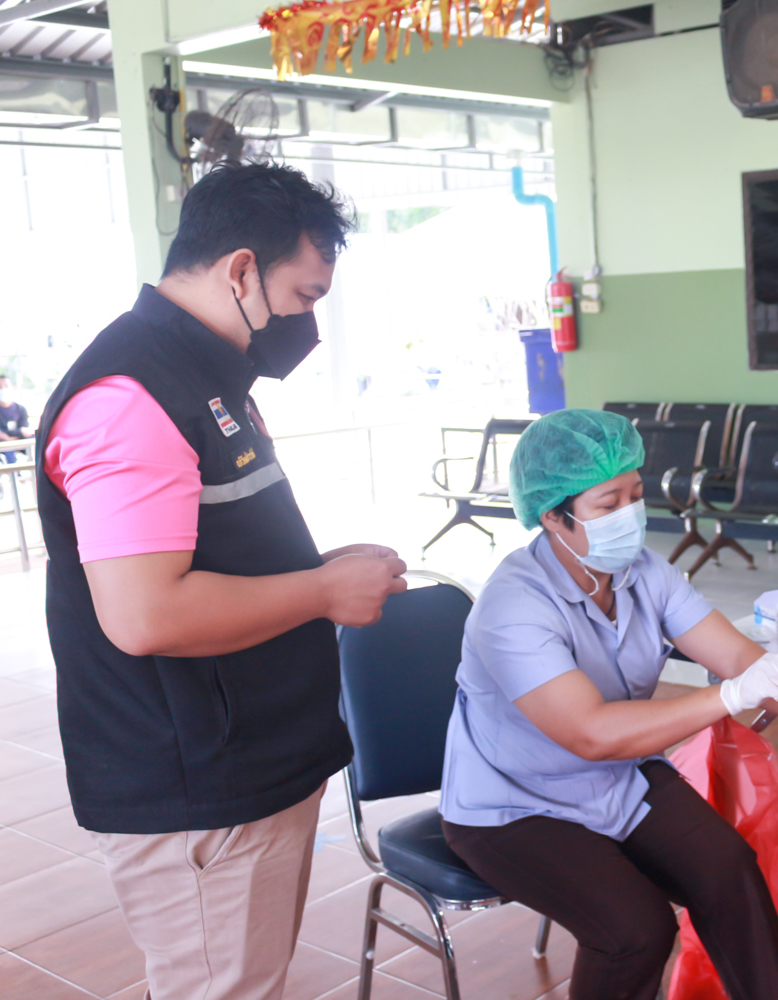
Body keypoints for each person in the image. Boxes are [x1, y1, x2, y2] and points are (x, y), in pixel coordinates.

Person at [36, 163, 408, 1000]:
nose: (307, 324)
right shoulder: (133, 396)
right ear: (241, 270)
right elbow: (145, 612)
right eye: (303, 296)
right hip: (201, 777)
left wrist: (319, 568)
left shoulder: (209, 376)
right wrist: (322, 594)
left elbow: (207, 548)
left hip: (255, 747)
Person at [439, 408, 778, 1000]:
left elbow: (737, 657)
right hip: (514, 805)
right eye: (608, 504)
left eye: (635, 495)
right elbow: (591, 733)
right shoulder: (513, 606)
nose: (630, 515)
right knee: (635, 931)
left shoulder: (645, 572)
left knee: (730, 872)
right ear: (553, 516)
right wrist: (731, 696)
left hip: (616, 779)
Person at [0, 374, 31, 464]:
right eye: (0, 387)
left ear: (12, 388)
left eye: (6, 386)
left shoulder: (21, 409)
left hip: (20, 442)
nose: (3, 389)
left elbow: (24, 430)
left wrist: (7, 436)